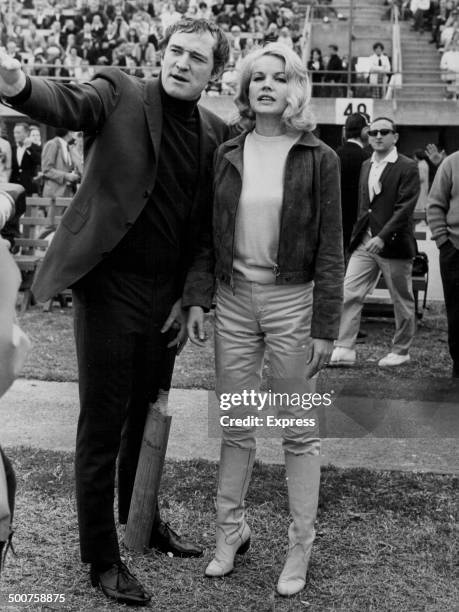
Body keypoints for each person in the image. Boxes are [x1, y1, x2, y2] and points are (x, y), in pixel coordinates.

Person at [0, 17, 230, 605]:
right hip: (107, 290)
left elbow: (205, 230)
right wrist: (18, 82)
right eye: (175, 51)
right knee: (101, 426)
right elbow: (68, 102)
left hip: (167, 301)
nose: (181, 63)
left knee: (146, 417)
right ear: (163, 53)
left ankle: (141, 517)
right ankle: (102, 557)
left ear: (214, 72)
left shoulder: (214, 131)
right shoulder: (119, 90)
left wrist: (194, 297)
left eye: (196, 58)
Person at [187, 43, 344, 597]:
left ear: (296, 87)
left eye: (280, 77)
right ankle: (230, 533)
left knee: (299, 431)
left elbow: (331, 249)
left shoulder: (318, 157)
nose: (267, 85)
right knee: (237, 424)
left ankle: (301, 543)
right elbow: (208, 236)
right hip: (232, 302)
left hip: (293, 305)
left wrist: (327, 325)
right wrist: (198, 299)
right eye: (258, 77)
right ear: (246, 88)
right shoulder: (227, 152)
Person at [330, 117, 420, 368]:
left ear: (395, 136)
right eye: (373, 132)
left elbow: (405, 208)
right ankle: (345, 347)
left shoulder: (407, 166)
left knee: (401, 298)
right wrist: (360, 236)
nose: (378, 136)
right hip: (364, 243)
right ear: (367, 136)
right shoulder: (366, 164)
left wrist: (382, 237)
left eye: (384, 132)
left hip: (393, 244)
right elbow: (364, 207)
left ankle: (401, 350)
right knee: (349, 292)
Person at [427, 152, 459, 377]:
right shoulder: (452, 163)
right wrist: (443, 242)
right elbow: (435, 204)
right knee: (457, 314)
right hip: (455, 250)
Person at [336, 112, 371, 255]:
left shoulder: (333, 155)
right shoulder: (368, 159)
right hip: (359, 227)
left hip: (335, 223)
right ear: (364, 131)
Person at [41, 129, 80, 198]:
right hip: (54, 193)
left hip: (68, 192)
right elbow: (46, 169)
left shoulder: (68, 146)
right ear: (69, 132)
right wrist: (66, 176)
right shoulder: (52, 144)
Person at [10, 122, 41, 196]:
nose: (15, 135)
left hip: (29, 186)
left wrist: (29, 148)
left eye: (18, 133)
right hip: (14, 187)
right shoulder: (12, 148)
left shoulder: (35, 148)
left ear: (26, 133)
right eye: (14, 133)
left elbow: (38, 161)